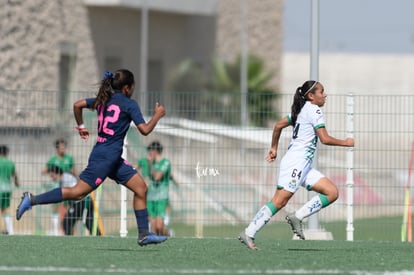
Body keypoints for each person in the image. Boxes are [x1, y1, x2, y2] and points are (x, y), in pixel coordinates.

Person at [16, 69, 168, 246]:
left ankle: (144, 234)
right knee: (77, 192)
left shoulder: (103, 99)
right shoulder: (129, 104)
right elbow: (145, 130)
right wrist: (158, 114)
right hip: (104, 159)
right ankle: (31, 200)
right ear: (127, 88)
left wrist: (81, 127)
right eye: (133, 86)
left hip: (111, 158)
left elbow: (77, 104)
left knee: (141, 188)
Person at [239, 80, 355, 250]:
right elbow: (324, 138)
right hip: (295, 164)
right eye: (321, 92)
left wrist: (274, 148)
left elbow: (278, 125)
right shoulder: (314, 110)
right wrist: (346, 142)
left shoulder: (301, 109)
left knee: (332, 192)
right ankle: (249, 233)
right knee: (279, 202)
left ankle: (297, 217)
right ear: (311, 96)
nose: (325, 95)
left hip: (303, 166)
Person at [47, 165, 102, 236]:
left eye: (52, 175)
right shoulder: (62, 180)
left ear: (56, 173)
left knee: (66, 222)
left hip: (82, 201)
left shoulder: (66, 178)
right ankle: (98, 236)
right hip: (81, 201)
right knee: (88, 222)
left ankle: (70, 239)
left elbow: (76, 192)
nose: (51, 178)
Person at [41, 138, 77, 235]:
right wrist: (52, 172)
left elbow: (74, 171)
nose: (62, 148)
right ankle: (56, 231)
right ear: (57, 148)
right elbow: (43, 170)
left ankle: (68, 230)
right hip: (56, 185)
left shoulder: (69, 158)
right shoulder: (53, 159)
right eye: (61, 147)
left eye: (64, 146)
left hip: (68, 185)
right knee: (55, 207)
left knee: (70, 207)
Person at [137, 141, 171, 236]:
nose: (149, 153)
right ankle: (156, 245)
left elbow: (157, 177)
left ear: (156, 151)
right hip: (149, 197)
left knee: (159, 226)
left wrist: (150, 164)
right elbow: (134, 167)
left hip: (161, 197)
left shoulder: (165, 163)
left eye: (151, 151)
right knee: (152, 226)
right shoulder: (145, 161)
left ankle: (169, 236)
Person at [0, 145, 19, 235]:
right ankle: (11, 231)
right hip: (7, 189)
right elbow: (14, 175)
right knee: (4, 210)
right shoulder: (10, 163)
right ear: (6, 153)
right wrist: (16, 183)